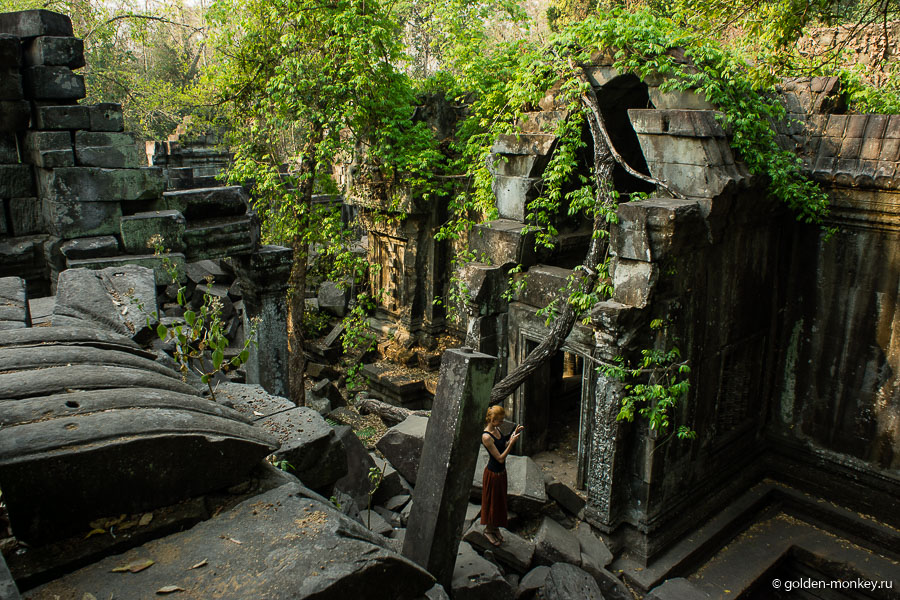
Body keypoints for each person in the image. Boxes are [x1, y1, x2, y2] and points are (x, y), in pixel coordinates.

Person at [480, 405, 523, 547]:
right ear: (492, 420)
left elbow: (502, 444)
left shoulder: (497, 430)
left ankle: (495, 528)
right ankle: (488, 530)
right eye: (500, 421)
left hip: (501, 473)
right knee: (492, 503)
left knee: (499, 502)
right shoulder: (486, 436)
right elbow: (500, 458)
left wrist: (512, 435)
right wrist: (512, 444)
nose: (502, 423)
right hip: (493, 473)